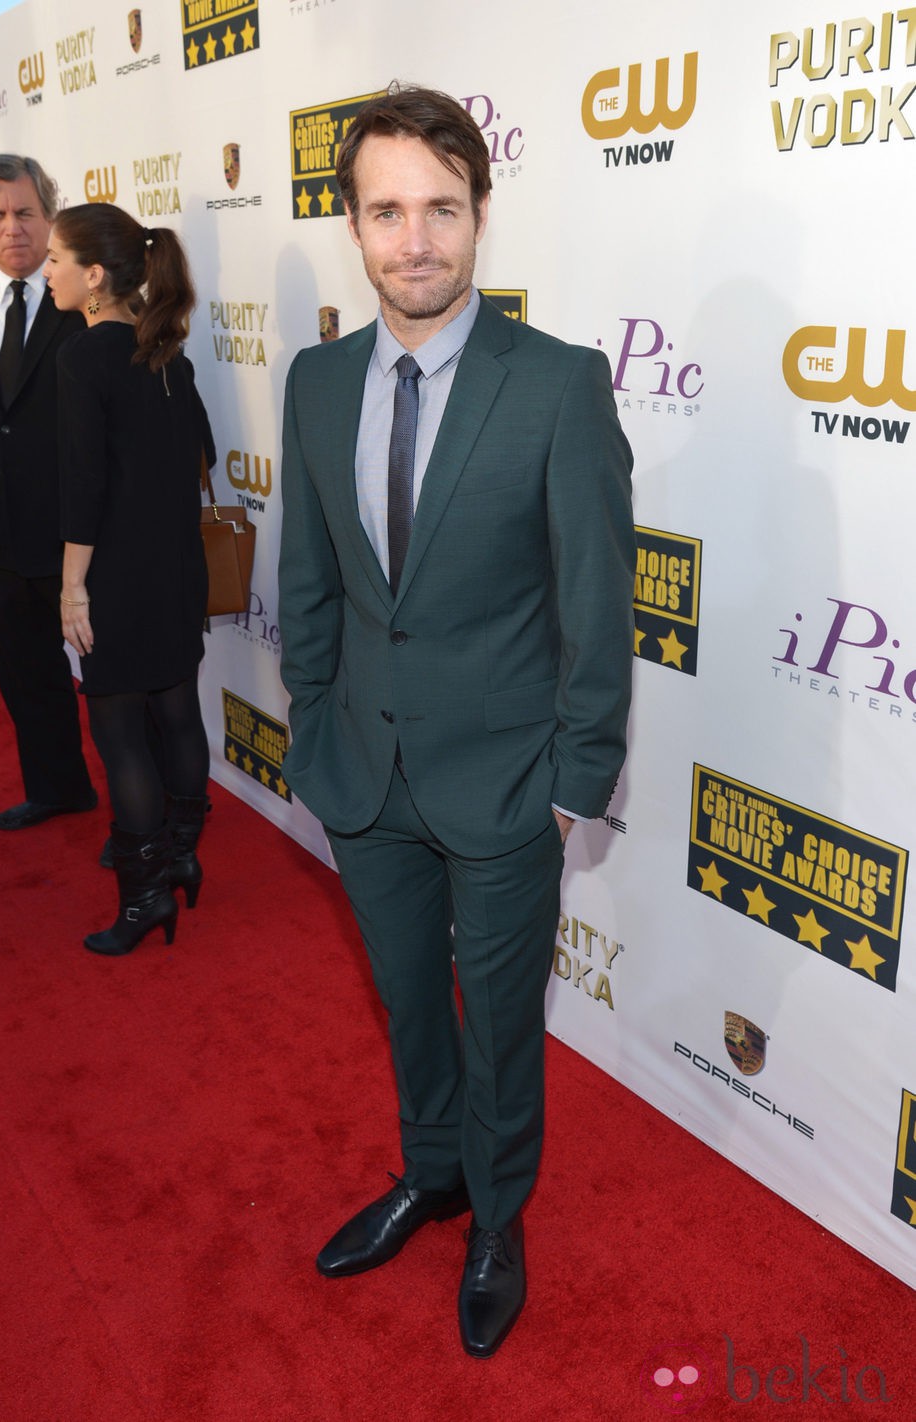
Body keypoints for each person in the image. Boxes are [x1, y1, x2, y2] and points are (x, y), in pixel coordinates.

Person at [277, 85, 635, 1358]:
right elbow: (309, 579)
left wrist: (572, 777)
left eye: (439, 208)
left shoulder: (553, 385)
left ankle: (496, 1212)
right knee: (404, 1004)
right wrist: (311, 730)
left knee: (498, 1023)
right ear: (353, 224)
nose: (413, 238)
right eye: (385, 211)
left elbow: (598, 599)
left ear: (479, 214)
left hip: (503, 783)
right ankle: (429, 1174)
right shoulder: (316, 382)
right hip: (360, 775)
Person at [45, 204, 213, 955]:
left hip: (113, 575)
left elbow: (82, 489)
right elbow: (201, 457)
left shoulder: (83, 358)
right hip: (176, 570)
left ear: (93, 276)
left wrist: (71, 588)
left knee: (120, 736)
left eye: (55, 259)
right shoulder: (167, 353)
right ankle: (179, 855)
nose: (45, 272)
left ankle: (145, 901)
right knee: (177, 714)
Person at [0, 154, 97, 830]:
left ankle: (147, 817)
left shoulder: (89, 300)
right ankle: (59, 788)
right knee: (25, 676)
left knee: (117, 684)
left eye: (26, 213)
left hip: (76, 536)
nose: (14, 229)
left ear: (50, 216)